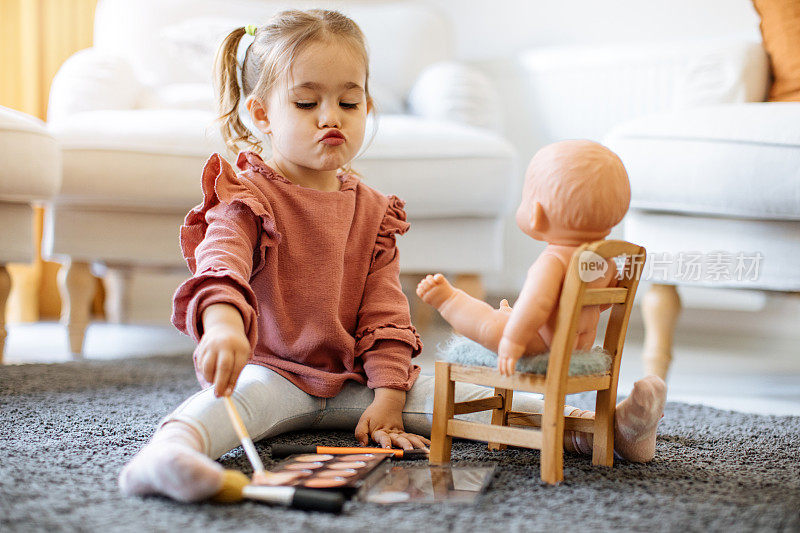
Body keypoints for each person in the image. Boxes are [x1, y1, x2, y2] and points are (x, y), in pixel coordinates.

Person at [119, 11, 662, 504]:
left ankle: (603, 429)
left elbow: (384, 310)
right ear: (261, 114)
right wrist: (222, 328)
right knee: (227, 405)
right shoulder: (247, 194)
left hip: (357, 376)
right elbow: (221, 264)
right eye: (306, 103)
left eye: (348, 102)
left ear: (366, 106)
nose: (329, 117)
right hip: (275, 372)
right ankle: (166, 456)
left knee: (469, 390)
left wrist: (387, 393)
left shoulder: (375, 211)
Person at [417, 140, 667, 460]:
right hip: (578, 349)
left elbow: (535, 308)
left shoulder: (553, 262)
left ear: (536, 213)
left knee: (488, 323)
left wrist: (511, 341)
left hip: (538, 345)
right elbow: (600, 304)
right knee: (512, 316)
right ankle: (507, 316)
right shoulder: (607, 261)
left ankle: (448, 298)